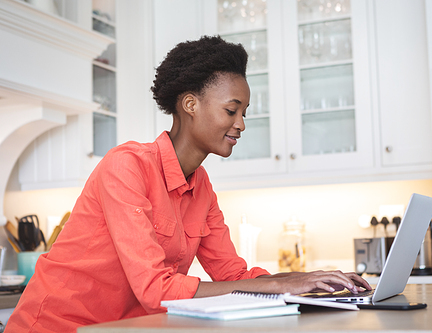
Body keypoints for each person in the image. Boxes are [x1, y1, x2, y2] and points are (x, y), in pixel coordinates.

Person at [6, 36, 370, 332]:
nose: (241, 124)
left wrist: (308, 282)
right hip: (54, 326)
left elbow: (234, 275)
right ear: (190, 104)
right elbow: (156, 289)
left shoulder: (202, 187)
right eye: (232, 110)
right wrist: (278, 285)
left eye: (245, 113)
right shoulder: (126, 166)